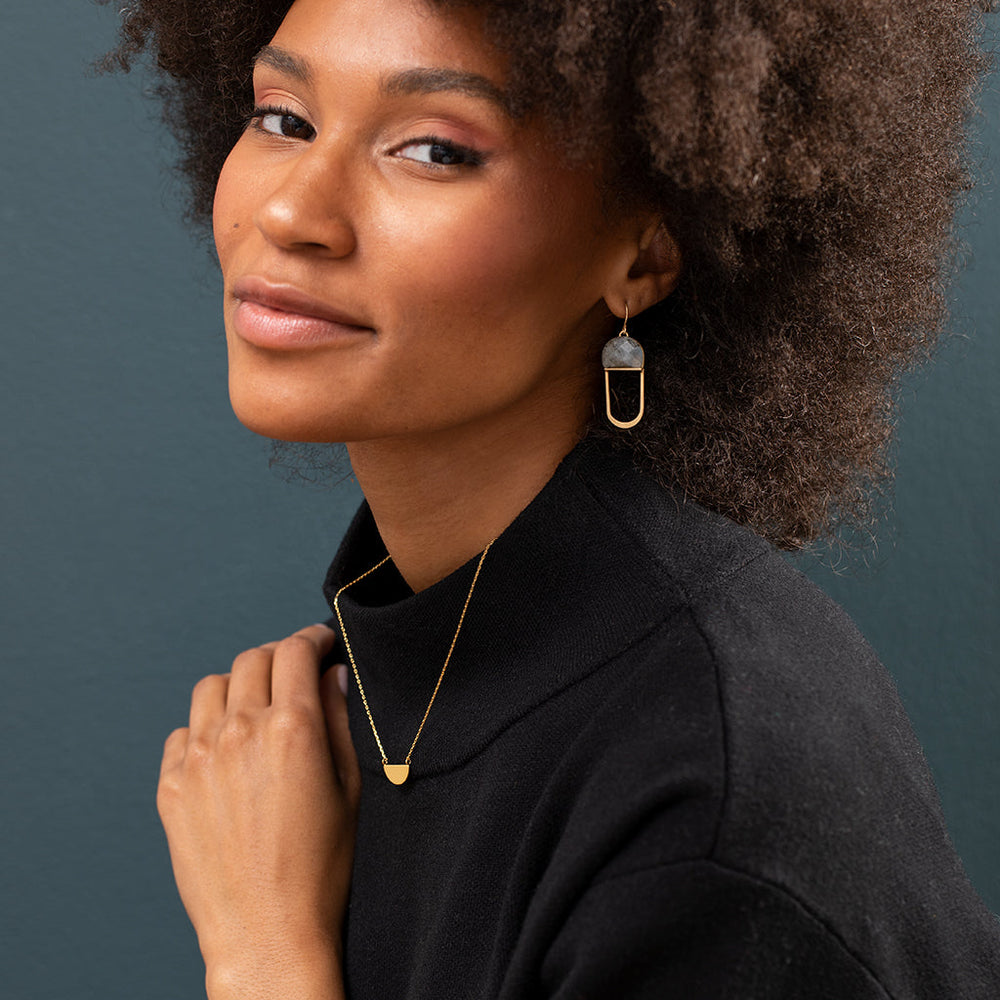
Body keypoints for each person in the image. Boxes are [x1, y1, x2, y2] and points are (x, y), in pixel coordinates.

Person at [106, 0, 1000, 996]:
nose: (290, 213)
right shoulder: (396, 670)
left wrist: (263, 951)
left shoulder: (708, 808)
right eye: (283, 119)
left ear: (643, 256)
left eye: (435, 149)